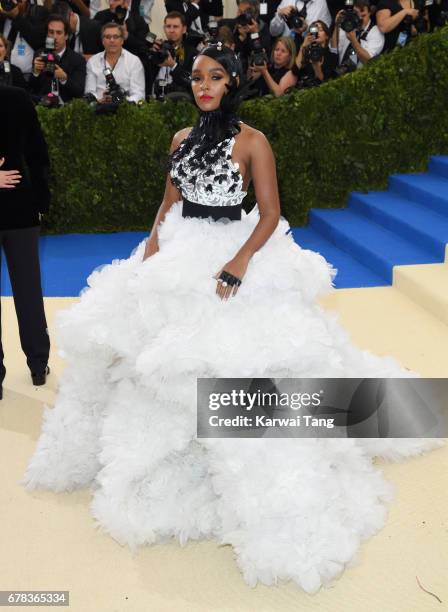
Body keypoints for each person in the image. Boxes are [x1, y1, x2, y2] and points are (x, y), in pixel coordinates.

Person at [23, 43, 441, 593]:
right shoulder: (178, 140)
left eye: (215, 77)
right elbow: (168, 200)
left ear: (233, 82)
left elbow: (270, 213)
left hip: (234, 250)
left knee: (237, 356)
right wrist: (151, 243)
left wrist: (240, 260)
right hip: (181, 250)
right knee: (152, 353)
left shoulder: (254, 142)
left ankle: (257, 469)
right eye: (197, 77)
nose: (203, 86)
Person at [0, 86, 51, 399]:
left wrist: (39, 203)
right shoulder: (20, 98)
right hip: (22, 209)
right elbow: (38, 154)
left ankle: (37, 362)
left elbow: (36, 152)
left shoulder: (18, 99)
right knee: (29, 290)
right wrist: (40, 202)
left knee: (30, 290)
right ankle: (38, 364)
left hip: (21, 211)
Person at [253, 20, 336, 96]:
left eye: (320, 30)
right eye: (314, 30)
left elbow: (324, 82)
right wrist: (303, 46)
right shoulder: (306, 53)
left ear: (327, 36)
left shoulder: (331, 55)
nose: (316, 33)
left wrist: (316, 65)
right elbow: (295, 70)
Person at [29, 15, 87, 103]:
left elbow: (79, 92)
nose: (54, 37)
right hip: (43, 105)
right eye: (51, 32)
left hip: (66, 108)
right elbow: (32, 88)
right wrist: (35, 72)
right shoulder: (40, 54)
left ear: (66, 36)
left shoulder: (78, 60)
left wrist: (64, 78)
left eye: (59, 33)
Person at [85, 22, 145, 103]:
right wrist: (100, 101)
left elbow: (139, 94)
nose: (112, 40)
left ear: (122, 40)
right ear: (102, 41)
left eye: (116, 37)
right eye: (108, 37)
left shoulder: (134, 61)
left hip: (126, 110)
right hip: (99, 110)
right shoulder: (93, 62)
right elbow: (89, 92)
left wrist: (121, 102)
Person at [330, 0, 384, 73]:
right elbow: (334, 49)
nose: (360, 18)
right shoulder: (347, 25)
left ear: (370, 13)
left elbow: (369, 61)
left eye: (363, 15)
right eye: (357, 15)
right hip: (340, 74)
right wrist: (337, 25)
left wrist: (353, 40)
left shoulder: (376, 32)